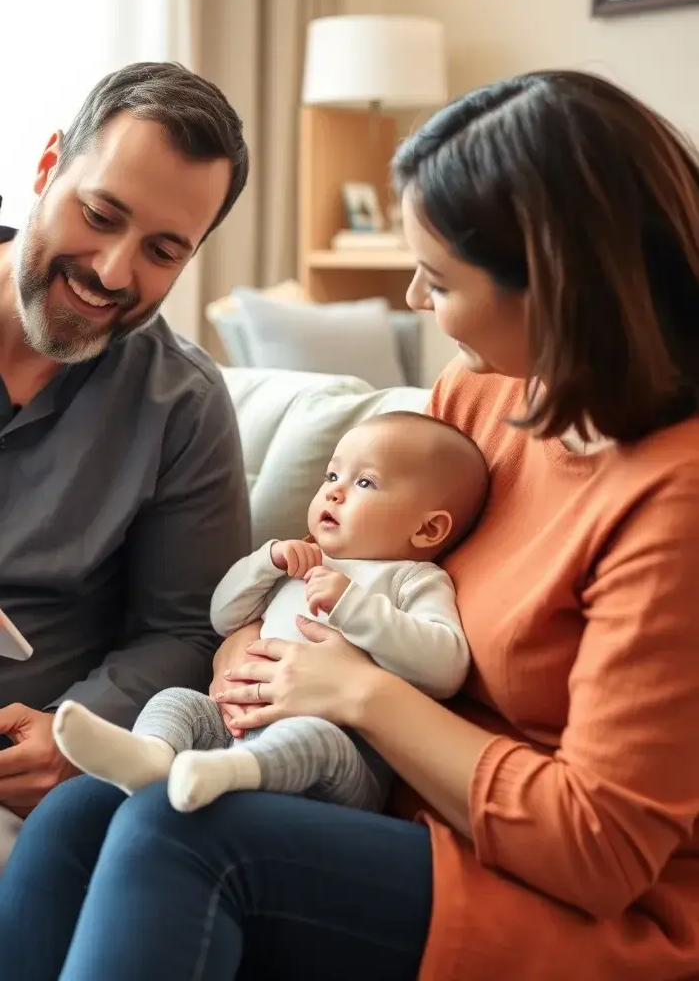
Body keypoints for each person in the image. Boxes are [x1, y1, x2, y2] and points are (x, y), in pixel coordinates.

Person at [1, 68, 698, 981]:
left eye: (437, 276)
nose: (412, 298)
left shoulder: (672, 495)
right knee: (87, 806)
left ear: (550, 284)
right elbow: (341, 575)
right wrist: (248, 648)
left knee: (178, 830)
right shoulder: (481, 399)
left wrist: (359, 693)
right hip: (382, 802)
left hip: (565, 891)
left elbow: (599, 849)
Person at [0, 62, 252, 869]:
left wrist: (80, 730)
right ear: (47, 167)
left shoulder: (181, 404)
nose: (112, 272)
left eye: (162, 250)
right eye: (100, 213)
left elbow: (183, 628)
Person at [50, 412, 487, 814]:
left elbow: (445, 666)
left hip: (342, 759)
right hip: (235, 727)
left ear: (427, 529)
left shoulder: (414, 579)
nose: (333, 490)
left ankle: (230, 773)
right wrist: (267, 562)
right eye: (332, 475)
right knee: (178, 702)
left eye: (365, 483)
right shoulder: (303, 559)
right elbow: (224, 617)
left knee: (310, 737)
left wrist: (353, 605)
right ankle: (150, 756)